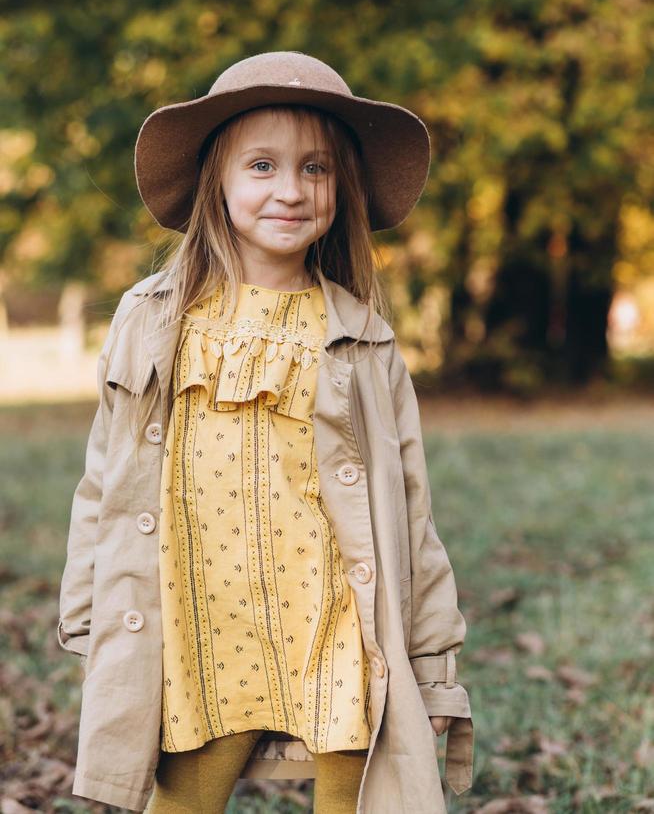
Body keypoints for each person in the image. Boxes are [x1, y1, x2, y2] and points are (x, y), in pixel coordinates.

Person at [57, 51, 474, 814]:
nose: (290, 189)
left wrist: (434, 656)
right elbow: (102, 479)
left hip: (337, 627)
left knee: (363, 792)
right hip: (200, 625)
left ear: (341, 188)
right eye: (262, 165)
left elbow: (411, 512)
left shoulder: (364, 340)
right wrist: (89, 613)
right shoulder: (152, 322)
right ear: (216, 178)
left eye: (315, 169)